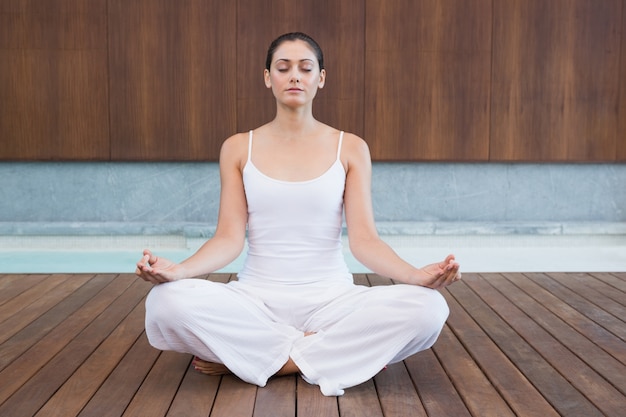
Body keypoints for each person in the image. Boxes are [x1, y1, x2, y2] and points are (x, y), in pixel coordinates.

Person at [135, 32, 461, 396]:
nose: (294, 76)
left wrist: (415, 276)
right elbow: (228, 238)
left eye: (306, 68)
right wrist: (178, 271)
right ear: (267, 77)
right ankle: (329, 355)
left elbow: (365, 240)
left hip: (332, 302)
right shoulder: (238, 147)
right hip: (255, 301)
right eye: (283, 68)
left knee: (429, 308)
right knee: (164, 303)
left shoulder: (350, 147)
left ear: (320, 78)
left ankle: (261, 359)